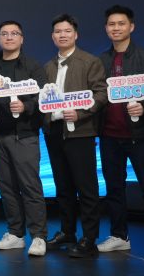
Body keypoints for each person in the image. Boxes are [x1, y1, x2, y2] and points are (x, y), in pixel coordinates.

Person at [96, 5, 144, 261]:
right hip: (109, 135)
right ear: (106, 28)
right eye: (111, 24)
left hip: (139, 135)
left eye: (121, 23)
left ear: (131, 26)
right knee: (114, 188)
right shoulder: (100, 61)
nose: (116, 28)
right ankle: (119, 236)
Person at [42, 14, 107, 258]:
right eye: (58, 31)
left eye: (67, 31)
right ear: (52, 37)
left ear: (76, 34)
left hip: (81, 131)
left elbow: (101, 94)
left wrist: (81, 113)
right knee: (63, 186)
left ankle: (89, 237)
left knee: (86, 186)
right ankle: (67, 232)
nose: (62, 35)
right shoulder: (47, 66)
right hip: (55, 132)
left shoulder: (90, 61)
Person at [0, 21, 49, 257]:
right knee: (6, 187)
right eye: (4, 34)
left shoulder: (33, 66)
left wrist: (26, 106)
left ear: (22, 38)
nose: (9, 37)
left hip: (25, 134)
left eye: (14, 33)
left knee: (30, 186)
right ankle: (15, 234)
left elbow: (44, 97)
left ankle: (39, 236)